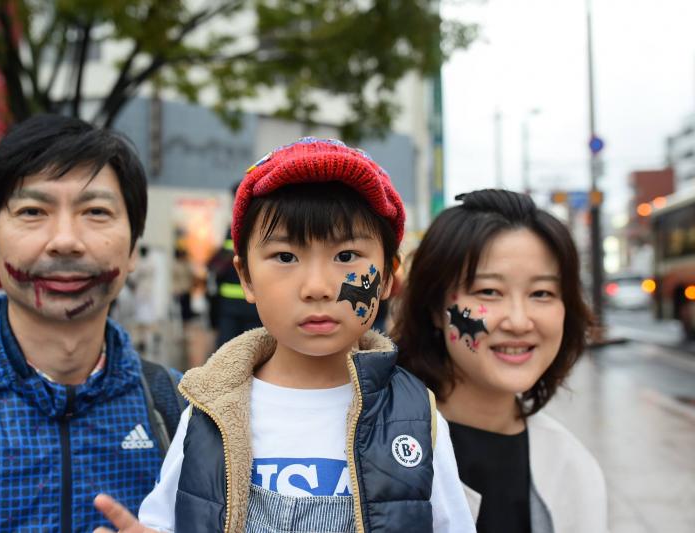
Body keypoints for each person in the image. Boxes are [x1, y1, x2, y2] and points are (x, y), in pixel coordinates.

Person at [94, 137, 475, 533]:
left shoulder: (415, 417)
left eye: (345, 257)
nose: (316, 287)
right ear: (246, 278)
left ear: (387, 279)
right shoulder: (209, 411)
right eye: (285, 257)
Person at [0, 115, 184, 531]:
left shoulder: (183, 414)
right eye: (33, 210)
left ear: (133, 249)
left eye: (96, 211)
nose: (65, 239)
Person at [392, 189, 608, 533]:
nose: (519, 321)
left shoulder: (574, 468)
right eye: (489, 292)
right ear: (435, 308)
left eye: (542, 294)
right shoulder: (376, 445)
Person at [205, 182, 262, 348]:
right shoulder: (231, 229)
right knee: (228, 356)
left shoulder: (255, 229)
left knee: (252, 353)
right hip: (233, 307)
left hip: (250, 307)